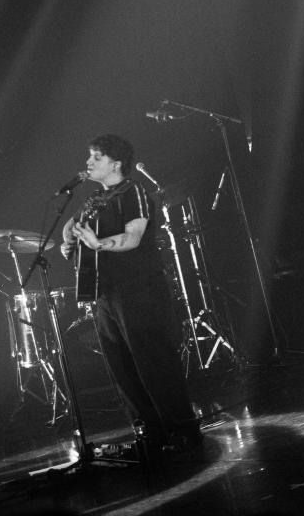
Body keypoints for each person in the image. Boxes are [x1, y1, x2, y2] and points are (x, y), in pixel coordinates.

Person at [60, 133, 203, 462]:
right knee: (123, 367)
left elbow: (134, 237)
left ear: (116, 163)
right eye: (89, 156)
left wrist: (98, 244)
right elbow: (70, 226)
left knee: (154, 362)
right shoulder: (95, 198)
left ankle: (184, 431)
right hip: (105, 293)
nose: (88, 162)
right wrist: (71, 241)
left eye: (96, 157)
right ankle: (151, 431)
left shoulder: (133, 191)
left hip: (138, 289)